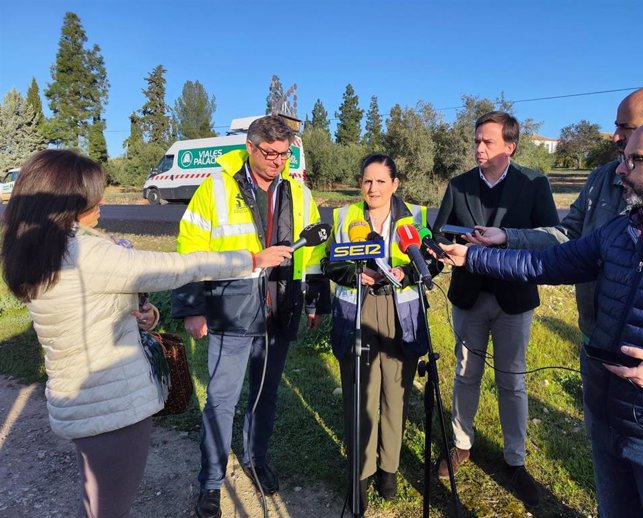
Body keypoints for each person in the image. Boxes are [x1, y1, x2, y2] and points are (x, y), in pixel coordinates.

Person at [0, 149, 291, 518]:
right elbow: (178, 266)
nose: (103, 200)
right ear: (70, 202)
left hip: (79, 401)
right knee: (109, 507)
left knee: (95, 500)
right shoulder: (86, 252)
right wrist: (252, 259)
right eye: (94, 194)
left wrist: (140, 315)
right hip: (112, 405)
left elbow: (88, 307)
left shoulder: (41, 247)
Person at [434, 113, 643, 518]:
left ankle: (513, 458)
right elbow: (546, 264)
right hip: (610, 420)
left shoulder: (534, 183)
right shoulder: (623, 231)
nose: (621, 167)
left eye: (635, 159)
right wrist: (474, 256)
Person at [171, 114, 330, 518]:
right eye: (271, 153)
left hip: (281, 308)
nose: (279, 161)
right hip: (230, 308)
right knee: (221, 401)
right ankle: (210, 481)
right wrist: (192, 307)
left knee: (265, 395)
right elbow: (190, 250)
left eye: (285, 153)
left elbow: (312, 252)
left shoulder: (299, 192)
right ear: (251, 147)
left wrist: (312, 300)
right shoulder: (216, 189)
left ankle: (256, 460)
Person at [464, 86, 643, 342]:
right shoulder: (603, 179)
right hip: (595, 334)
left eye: (625, 127)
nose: (615, 137)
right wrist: (502, 239)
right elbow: (561, 244)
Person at [432, 111, 560, 506]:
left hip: (514, 298)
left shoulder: (533, 184)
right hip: (469, 297)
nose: (479, 148)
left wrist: (503, 242)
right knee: (465, 373)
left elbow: (552, 237)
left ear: (510, 146)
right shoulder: (459, 185)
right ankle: (461, 444)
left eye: (487, 142)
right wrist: (447, 247)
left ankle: (515, 460)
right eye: (475, 141)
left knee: (512, 379)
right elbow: (438, 233)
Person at [322, 153, 440, 511]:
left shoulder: (415, 217)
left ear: (395, 184)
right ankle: (361, 472)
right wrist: (356, 275)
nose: (372, 188)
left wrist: (414, 271)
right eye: (367, 181)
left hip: (400, 312)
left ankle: (388, 468)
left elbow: (432, 258)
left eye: (380, 181)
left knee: (395, 393)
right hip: (357, 309)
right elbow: (330, 262)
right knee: (361, 394)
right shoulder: (345, 217)